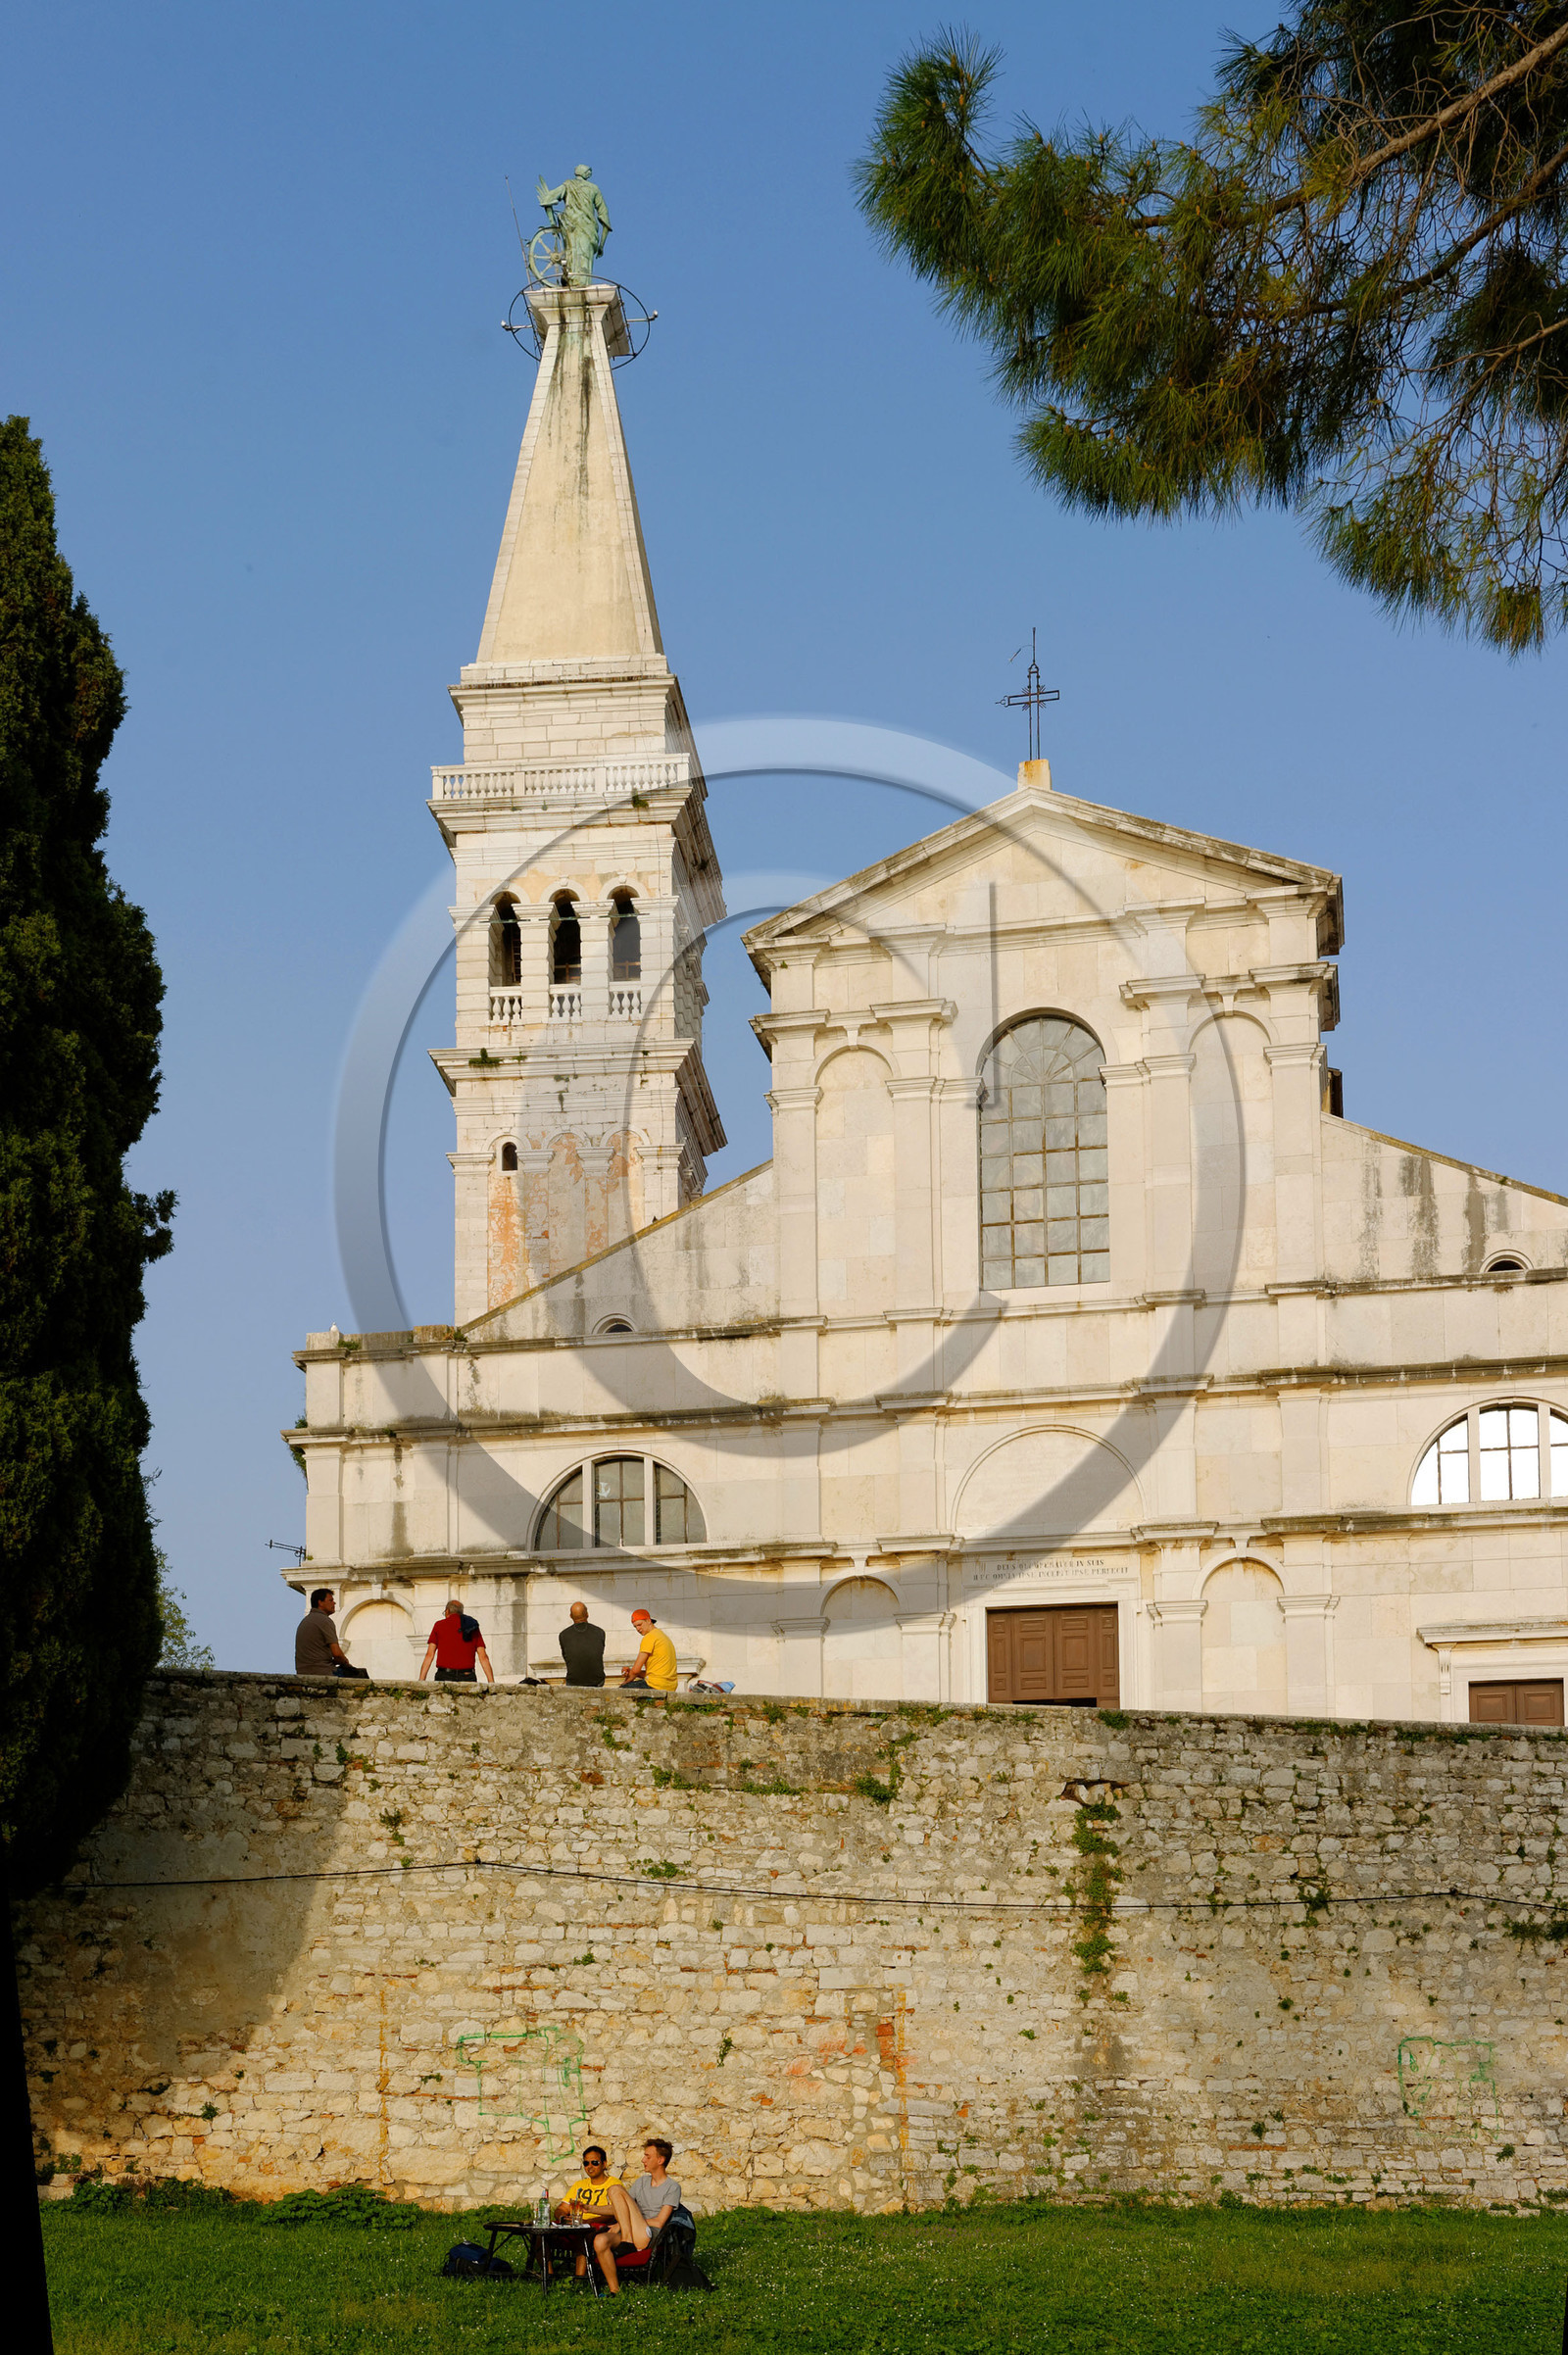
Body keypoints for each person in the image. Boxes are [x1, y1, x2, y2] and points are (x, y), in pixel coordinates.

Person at [591, 2137, 682, 2295]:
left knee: (615, 2189)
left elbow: (660, 2222)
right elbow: (619, 2208)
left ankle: (626, 2239)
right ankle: (614, 2291)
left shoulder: (672, 2187)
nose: (643, 2160)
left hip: (647, 2234)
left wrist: (623, 2223)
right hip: (632, 2232)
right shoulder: (641, 2182)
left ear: (660, 2160)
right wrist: (589, 2208)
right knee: (600, 2241)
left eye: (648, 2156)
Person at [555, 2144, 620, 2282]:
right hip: (574, 2224)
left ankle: (579, 2280)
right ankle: (548, 2277)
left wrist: (586, 2222)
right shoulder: (579, 2185)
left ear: (604, 2164)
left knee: (583, 2234)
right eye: (586, 2163)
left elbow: (616, 2212)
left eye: (595, 2163)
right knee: (539, 2236)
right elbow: (562, 2207)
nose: (590, 2166)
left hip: (598, 2226)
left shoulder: (614, 2184)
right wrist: (562, 2217)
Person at [418, 1599, 494, 1685]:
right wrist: (491, 1682)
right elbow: (483, 1657)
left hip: (444, 1676)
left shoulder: (439, 1625)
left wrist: (421, 1680)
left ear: (447, 1611)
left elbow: (429, 1655)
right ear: (461, 1612)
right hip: (467, 1676)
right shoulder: (472, 1626)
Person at [294, 1588, 365, 1679]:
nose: (334, 1603)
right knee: (361, 1676)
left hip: (303, 1672)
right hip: (323, 1672)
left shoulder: (305, 1621)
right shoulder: (324, 1620)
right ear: (320, 1603)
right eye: (330, 1600)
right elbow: (337, 1654)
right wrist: (346, 1662)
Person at [620, 1609, 677, 1701]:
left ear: (648, 1621)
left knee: (619, 1692)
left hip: (655, 1686)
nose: (638, 1629)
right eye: (635, 1627)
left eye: (639, 1625)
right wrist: (631, 1672)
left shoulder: (649, 1637)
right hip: (669, 1686)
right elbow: (654, 1674)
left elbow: (636, 1670)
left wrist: (625, 1682)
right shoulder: (662, 1636)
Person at [560, 1599, 606, 1688]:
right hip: (597, 1680)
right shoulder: (599, 1632)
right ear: (587, 1614)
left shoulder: (564, 1635)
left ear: (570, 1616)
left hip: (574, 1681)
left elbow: (566, 1657)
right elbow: (599, 1653)